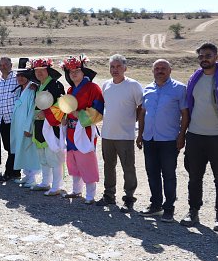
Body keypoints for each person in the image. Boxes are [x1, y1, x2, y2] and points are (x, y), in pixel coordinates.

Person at [180, 42, 218, 231]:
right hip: (196, 136)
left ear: (216, 57)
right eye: (201, 56)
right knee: (194, 177)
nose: (204, 59)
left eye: (208, 55)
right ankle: (193, 212)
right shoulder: (194, 79)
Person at [136, 59, 189, 223]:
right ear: (152, 71)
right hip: (149, 138)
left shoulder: (179, 89)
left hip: (168, 140)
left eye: (163, 68)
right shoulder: (148, 89)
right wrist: (140, 134)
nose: (160, 71)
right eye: (157, 68)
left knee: (169, 174)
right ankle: (155, 205)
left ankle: (169, 209)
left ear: (170, 70)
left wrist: (181, 136)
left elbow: (185, 115)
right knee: (152, 173)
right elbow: (143, 114)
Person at [53, 55, 104, 205]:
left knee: (86, 160)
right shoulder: (70, 89)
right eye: (70, 71)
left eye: (77, 70)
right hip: (70, 130)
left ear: (84, 72)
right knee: (73, 160)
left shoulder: (93, 88)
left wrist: (78, 114)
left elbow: (99, 110)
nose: (73, 73)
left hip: (85, 130)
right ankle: (76, 190)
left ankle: (90, 194)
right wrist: (64, 117)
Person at [96, 54, 143, 209]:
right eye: (112, 67)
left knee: (128, 167)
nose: (115, 70)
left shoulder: (133, 85)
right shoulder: (106, 85)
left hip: (125, 135)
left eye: (118, 66)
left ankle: (129, 198)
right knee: (109, 166)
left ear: (125, 68)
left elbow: (141, 107)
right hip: (107, 134)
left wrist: (133, 123)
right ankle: (109, 195)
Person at [30, 58, 66, 196]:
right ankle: (45, 182)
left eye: (42, 70)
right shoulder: (39, 86)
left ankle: (56, 185)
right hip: (39, 125)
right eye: (37, 71)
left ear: (48, 70)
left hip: (51, 126)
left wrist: (46, 114)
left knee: (53, 156)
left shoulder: (55, 85)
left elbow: (61, 104)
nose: (39, 73)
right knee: (43, 156)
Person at [10, 67, 41, 187]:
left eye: (23, 75)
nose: (20, 78)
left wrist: (28, 127)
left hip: (26, 125)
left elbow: (33, 110)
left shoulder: (32, 90)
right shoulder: (20, 90)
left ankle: (32, 177)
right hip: (18, 124)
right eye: (18, 75)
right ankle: (26, 175)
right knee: (21, 150)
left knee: (29, 150)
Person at [0, 56, 20, 182]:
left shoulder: (16, 79)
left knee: (13, 146)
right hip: (2, 118)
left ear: (11, 65)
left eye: (5, 64)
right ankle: (16, 171)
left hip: (13, 118)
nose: (3, 67)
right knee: (8, 146)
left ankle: (8, 172)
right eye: (1, 65)